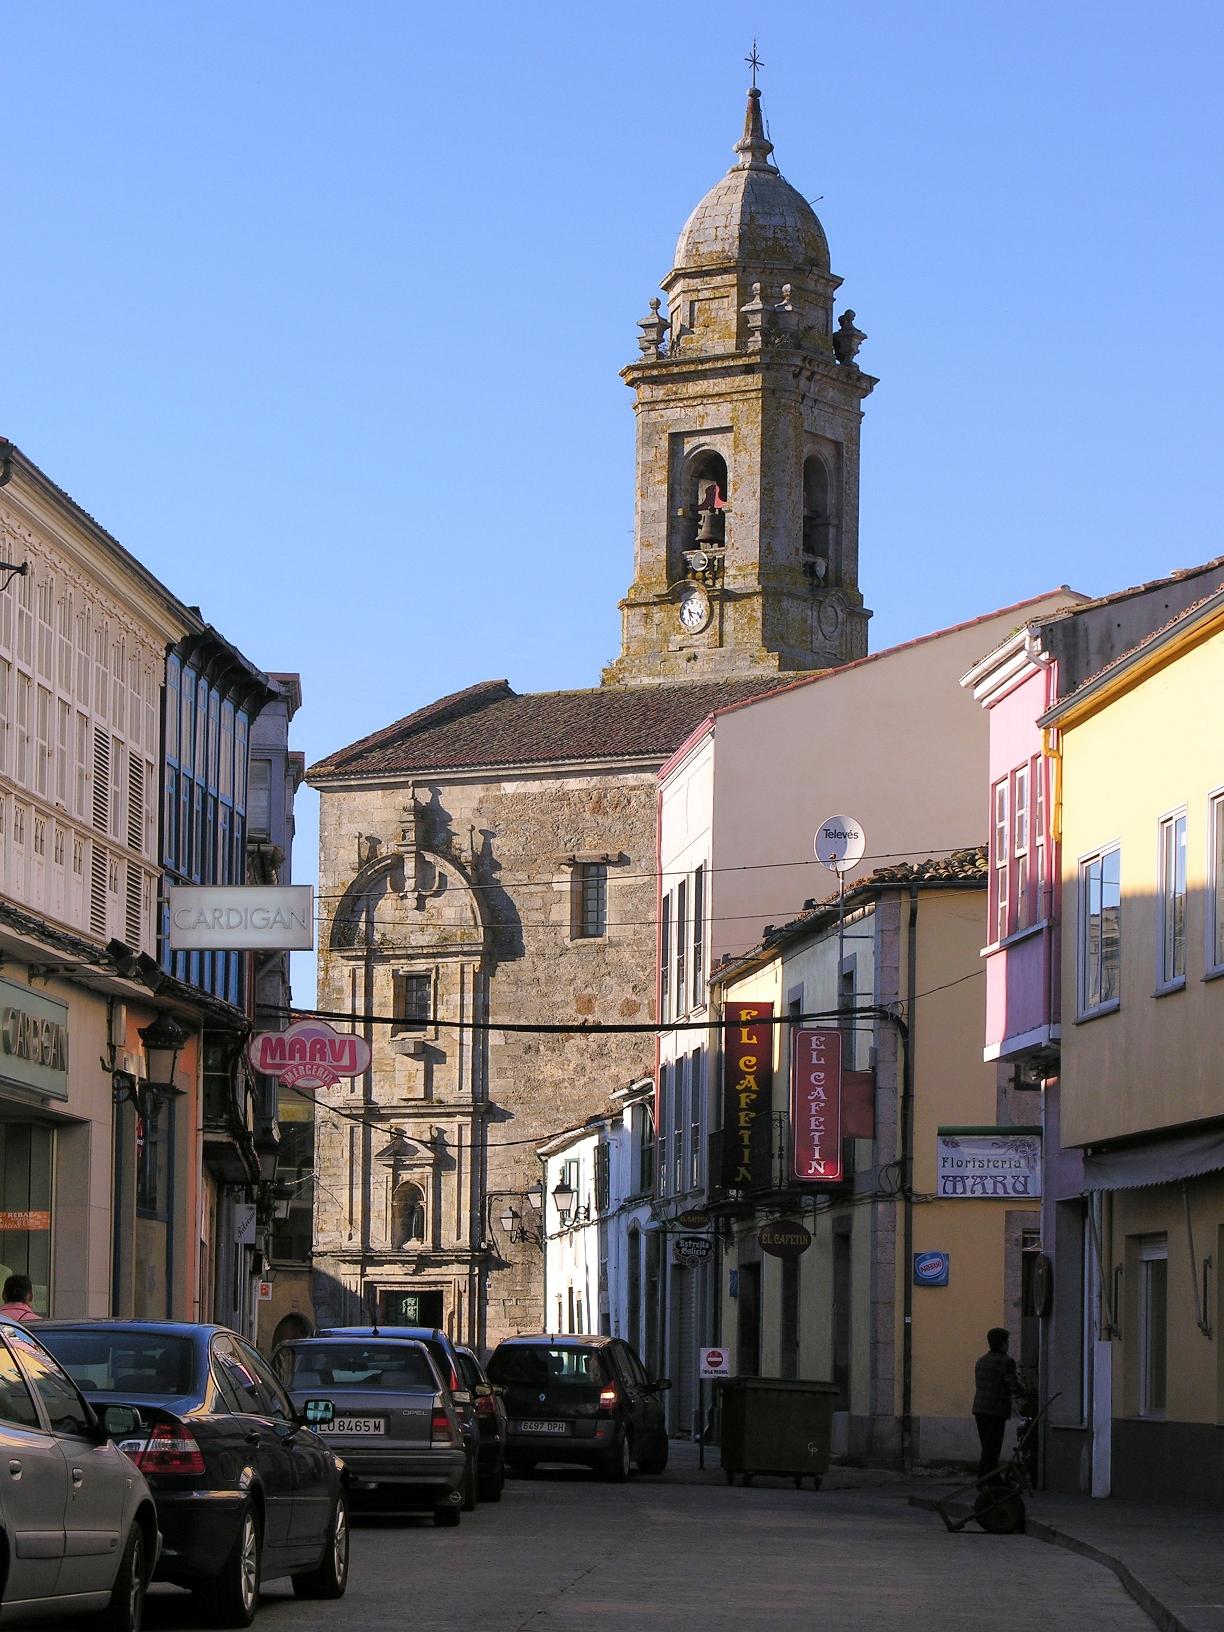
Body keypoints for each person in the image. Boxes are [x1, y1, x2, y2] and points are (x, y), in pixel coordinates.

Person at [973, 1326, 1017, 1479]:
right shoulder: (1007, 1362)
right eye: (1007, 1341)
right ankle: (986, 1477)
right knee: (993, 1447)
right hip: (996, 1409)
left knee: (986, 1444)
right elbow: (1012, 1385)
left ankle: (989, 1477)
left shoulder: (981, 1361)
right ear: (1003, 1343)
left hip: (979, 1408)